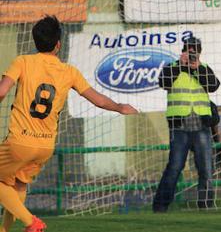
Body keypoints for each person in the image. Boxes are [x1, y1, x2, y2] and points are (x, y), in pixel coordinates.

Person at [0, 16, 138, 232]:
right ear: (58, 44)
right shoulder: (69, 71)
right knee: (18, 184)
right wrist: (120, 107)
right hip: (45, 145)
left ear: (35, 41)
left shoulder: (23, 61)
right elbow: (97, 99)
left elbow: (1, 91)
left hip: (20, 140)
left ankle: (31, 222)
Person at [153, 36, 221, 212]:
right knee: (175, 167)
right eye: (189, 50)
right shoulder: (172, 68)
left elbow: (213, 85)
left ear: (199, 53)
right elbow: (163, 82)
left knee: (206, 168)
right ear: (183, 51)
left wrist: (196, 68)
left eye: (194, 51)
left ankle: (205, 206)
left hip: (202, 126)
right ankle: (160, 206)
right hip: (179, 126)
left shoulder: (204, 68)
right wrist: (181, 65)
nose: (191, 54)